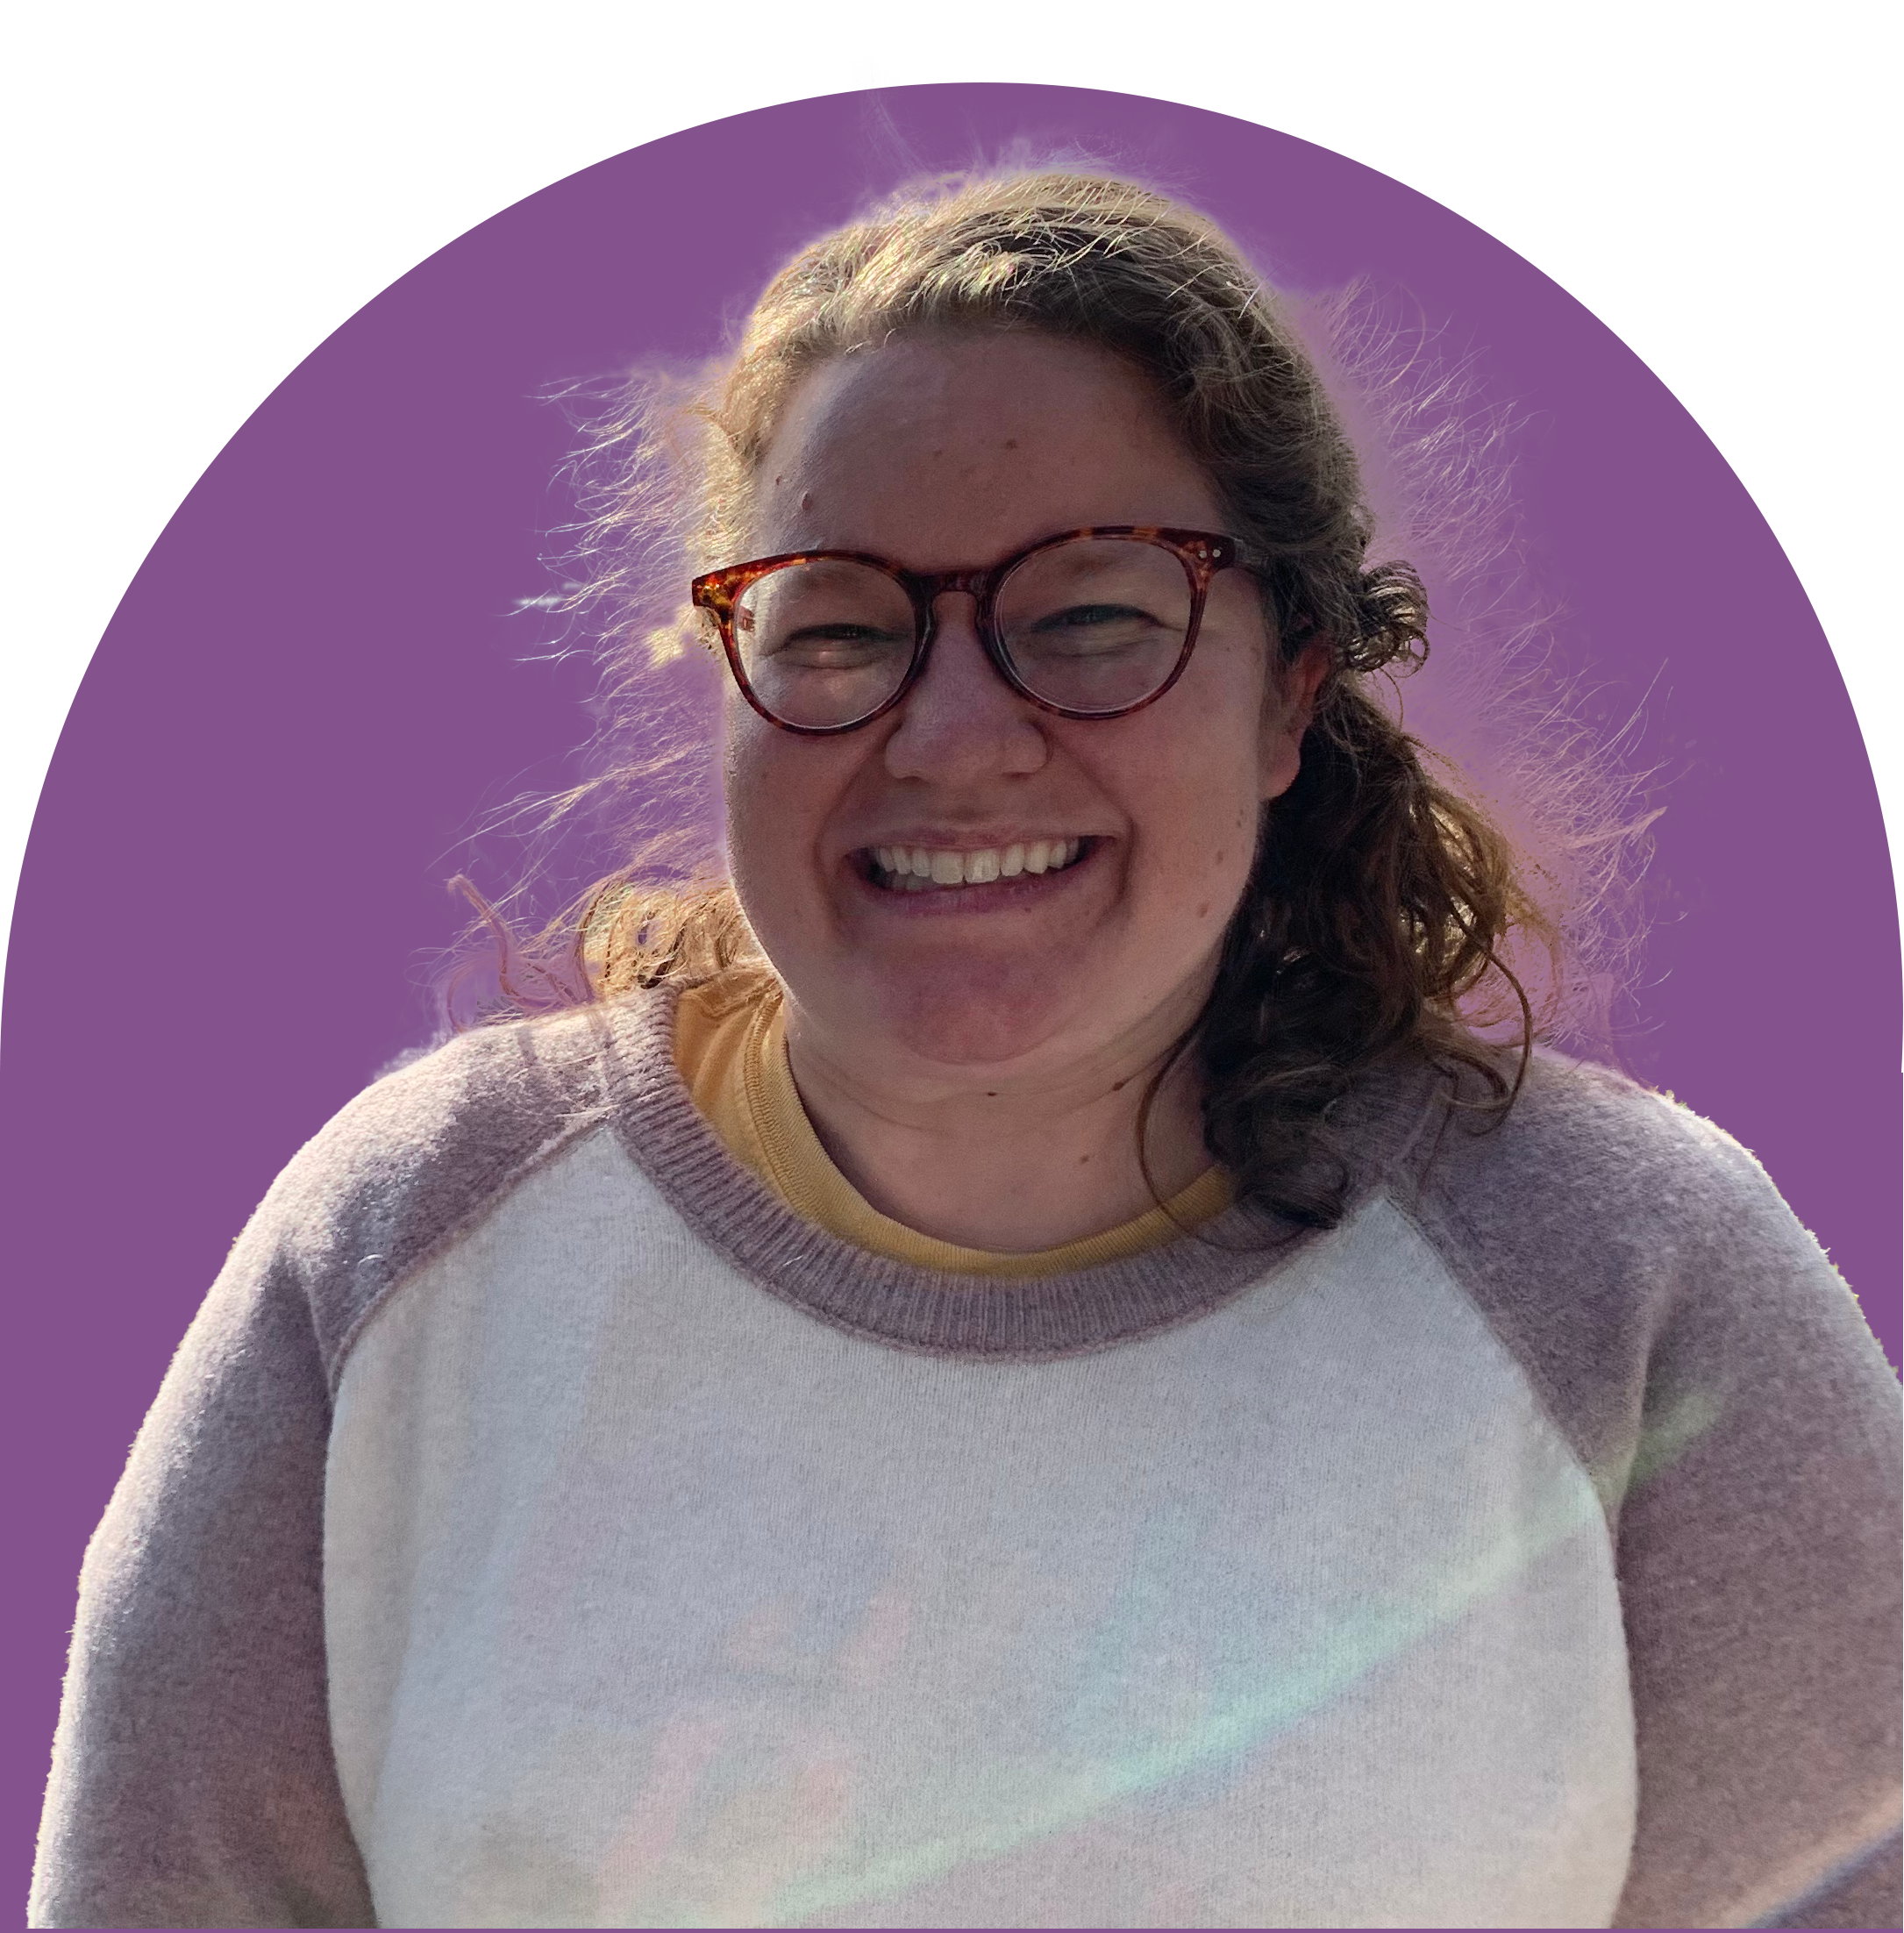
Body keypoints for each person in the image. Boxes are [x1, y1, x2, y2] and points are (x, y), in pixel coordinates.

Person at [30, 169, 1900, 1931]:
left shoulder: (1624, 1279)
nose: (947, 736)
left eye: (1087, 617)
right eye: (838, 630)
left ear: (1289, 698)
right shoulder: (405, 1254)